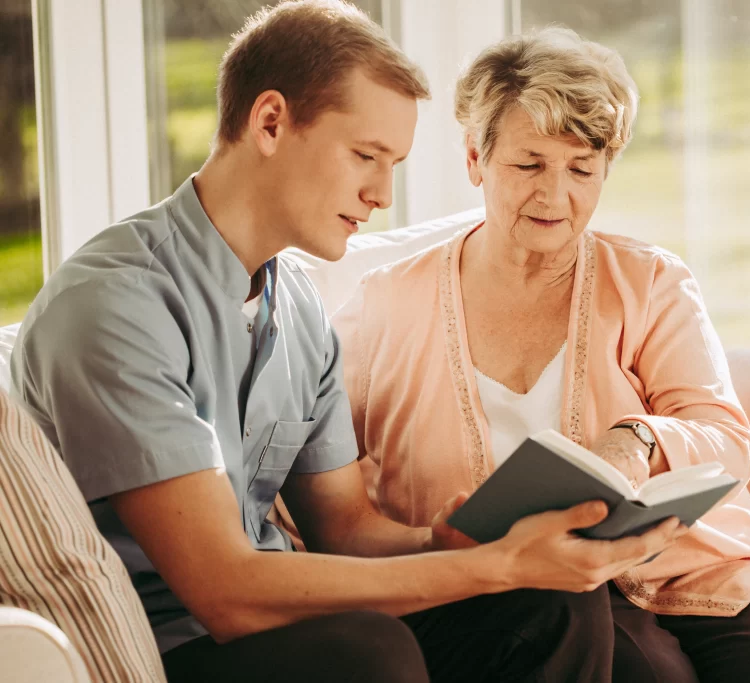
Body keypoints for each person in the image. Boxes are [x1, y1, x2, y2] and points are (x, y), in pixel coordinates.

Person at [8, 4, 685, 682]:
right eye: (366, 156)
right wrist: (489, 565)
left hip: (287, 622)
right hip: (175, 646)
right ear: (270, 122)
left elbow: (348, 532)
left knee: (550, 603)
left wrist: (445, 541)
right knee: (367, 651)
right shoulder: (117, 303)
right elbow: (224, 592)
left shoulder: (297, 306)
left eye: (393, 164)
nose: (384, 195)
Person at [329, 28, 750, 683]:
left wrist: (638, 437)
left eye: (581, 169)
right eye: (529, 165)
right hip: (525, 590)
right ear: (475, 157)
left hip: (690, 560)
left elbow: (726, 435)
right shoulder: (384, 304)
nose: (556, 196)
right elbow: (321, 471)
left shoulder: (650, 283)